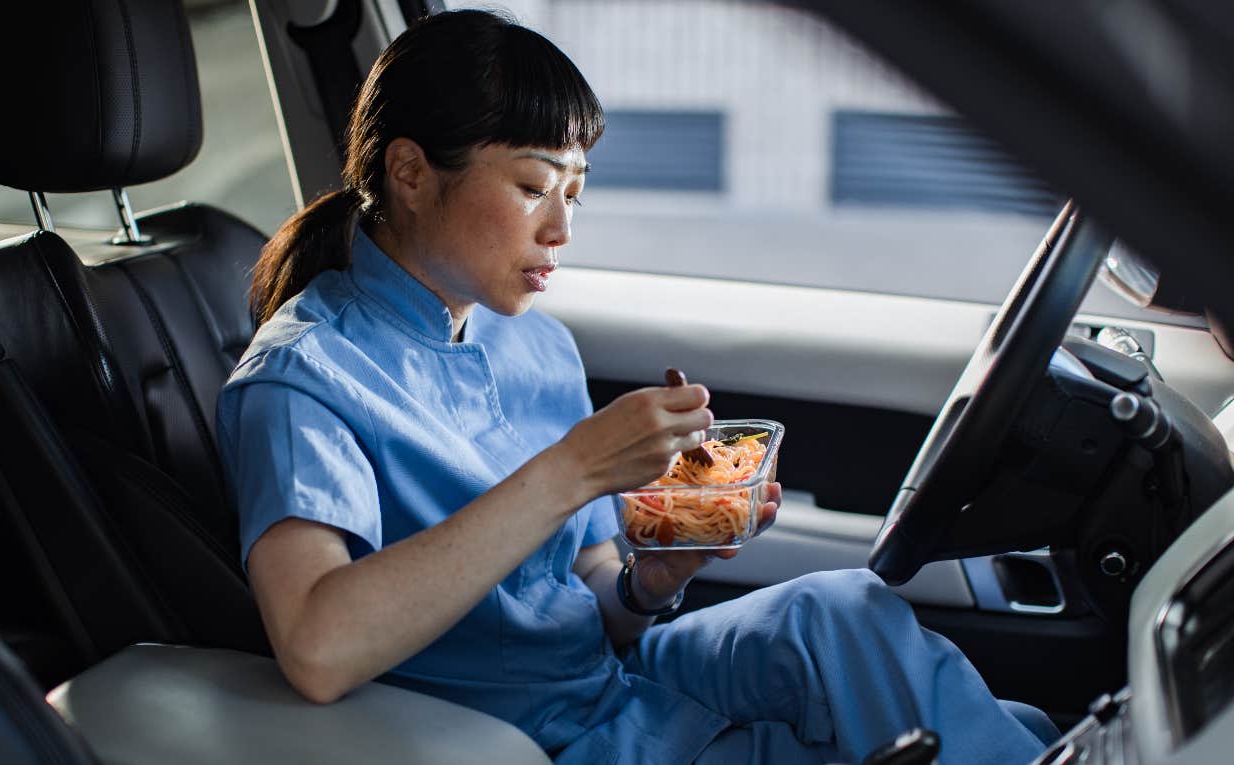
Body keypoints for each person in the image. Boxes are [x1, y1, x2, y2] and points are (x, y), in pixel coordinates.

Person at [217, 9, 1058, 764]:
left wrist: (651, 578)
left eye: (575, 195)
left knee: (846, 612)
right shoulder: (304, 377)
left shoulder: (536, 344)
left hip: (620, 683)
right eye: (534, 188)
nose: (562, 229)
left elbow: (590, 596)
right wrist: (573, 470)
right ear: (408, 172)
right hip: (525, 738)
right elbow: (318, 647)